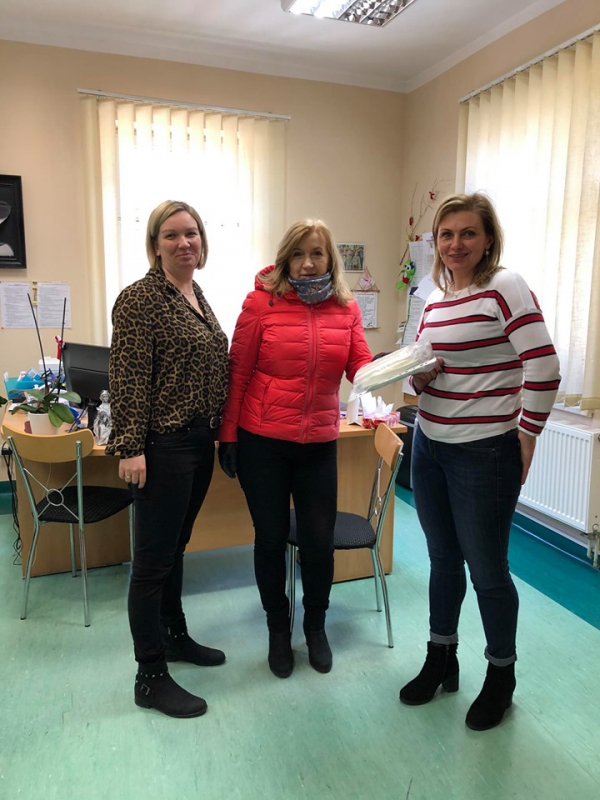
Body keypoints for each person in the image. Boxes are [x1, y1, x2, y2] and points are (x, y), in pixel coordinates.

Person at [398, 193, 561, 730]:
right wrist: (420, 376)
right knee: (442, 561)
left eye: (468, 233)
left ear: (488, 239)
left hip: (484, 451)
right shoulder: (435, 297)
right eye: (446, 235)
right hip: (430, 444)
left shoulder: (504, 286)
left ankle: (500, 675)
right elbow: (423, 370)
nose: (455, 244)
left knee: (488, 571)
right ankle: (441, 657)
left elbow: (544, 366)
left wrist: (527, 436)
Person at [217, 219, 372, 678]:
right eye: (299, 254)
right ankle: (277, 630)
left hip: (318, 443)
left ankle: (316, 626)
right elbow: (238, 373)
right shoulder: (260, 303)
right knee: (269, 539)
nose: (308, 263)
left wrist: (398, 366)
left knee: (318, 544)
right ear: (286, 258)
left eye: (317, 253)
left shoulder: (346, 307)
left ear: (330, 258)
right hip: (262, 442)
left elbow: (360, 366)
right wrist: (228, 435)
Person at [107, 200, 229, 719]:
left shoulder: (195, 294)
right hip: (162, 447)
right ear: (155, 244)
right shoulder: (139, 299)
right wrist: (131, 447)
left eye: (192, 233)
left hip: (198, 443)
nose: (185, 243)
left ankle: (174, 635)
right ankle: (150, 676)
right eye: (173, 235)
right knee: (152, 564)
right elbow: (128, 376)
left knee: (175, 550)